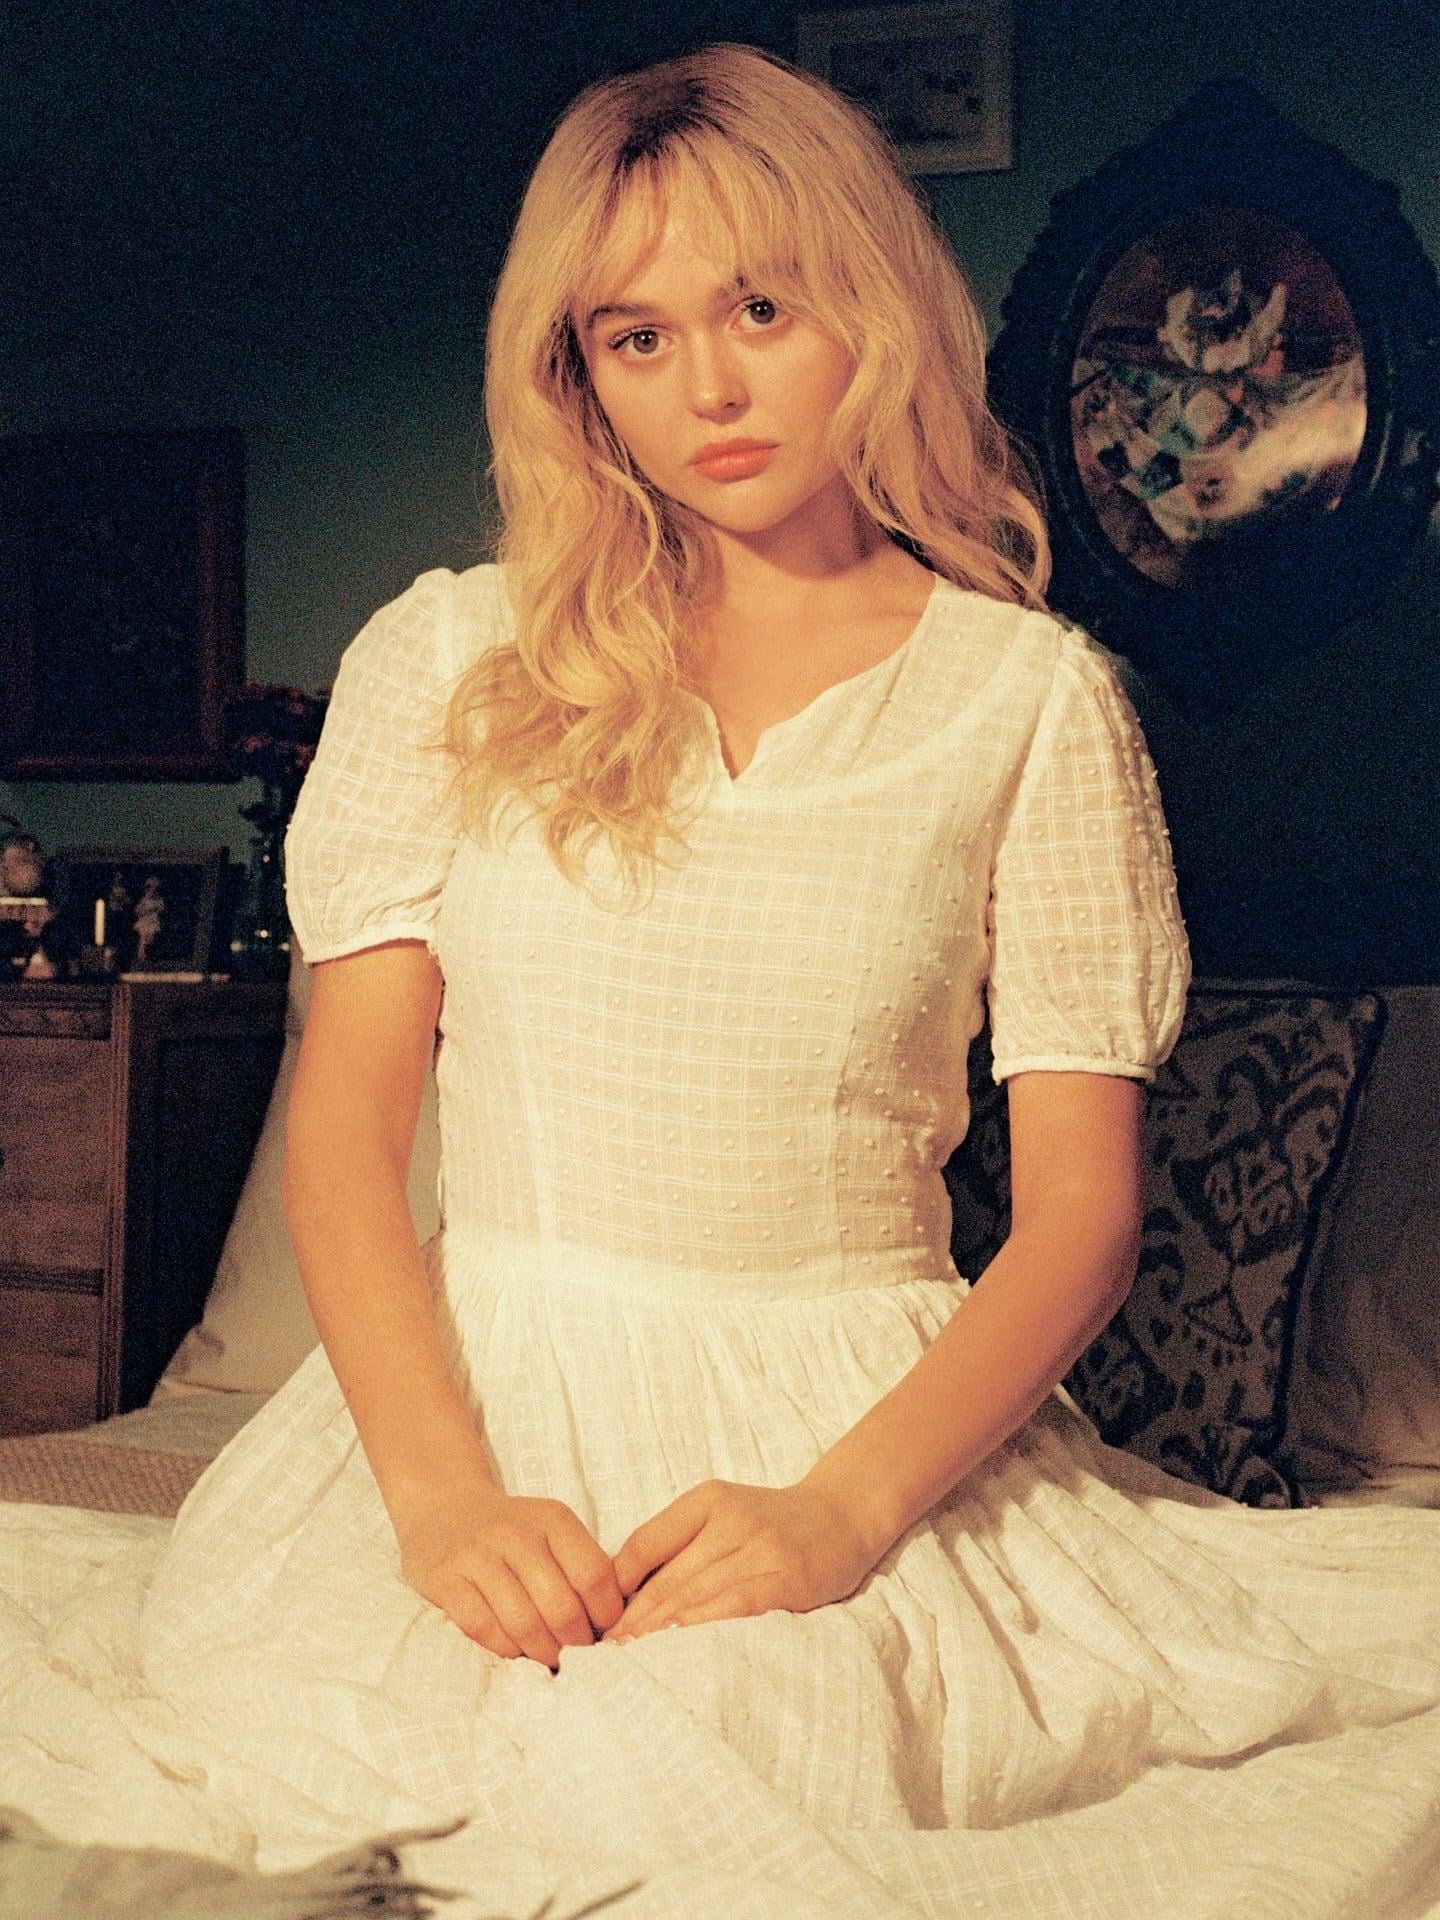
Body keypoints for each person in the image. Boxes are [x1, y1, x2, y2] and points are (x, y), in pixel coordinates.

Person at [4, 40, 1440, 1920]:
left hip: (859, 1442)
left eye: (760, 307)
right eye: (636, 336)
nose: (710, 388)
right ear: (576, 374)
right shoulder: (450, 659)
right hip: (464, 1420)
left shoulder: (1029, 702)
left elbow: (1081, 1219)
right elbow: (344, 1150)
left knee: (726, 1795)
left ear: (869, 306)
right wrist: (439, 1501)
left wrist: (839, 1515)